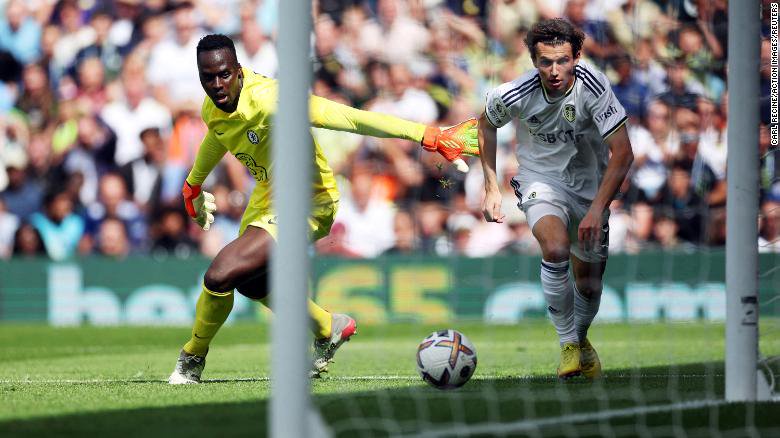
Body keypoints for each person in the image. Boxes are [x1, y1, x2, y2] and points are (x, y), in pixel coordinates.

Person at [168, 34, 478, 384]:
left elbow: (349, 118)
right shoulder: (213, 106)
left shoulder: (273, 100)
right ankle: (329, 327)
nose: (217, 83)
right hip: (268, 197)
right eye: (208, 77)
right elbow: (218, 132)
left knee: (220, 273)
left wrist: (427, 135)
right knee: (249, 284)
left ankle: (192, 357)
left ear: (239, 70)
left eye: (224, 74)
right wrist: (193, 183)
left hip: (309, 200)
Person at [478, 19, 633, 380]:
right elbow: (484, 124)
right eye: (545, 62)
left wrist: (597, 209)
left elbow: (623, 153)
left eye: (562, 60)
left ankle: (578, 340)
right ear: (534, 61)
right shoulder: (515, 93)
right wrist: (490, 187)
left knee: (589, 283)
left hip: (590, 190)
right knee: (555, 248)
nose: (554, 70)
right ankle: (566, 344)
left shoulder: (593, 87)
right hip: (540, 180)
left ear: (577, 57)